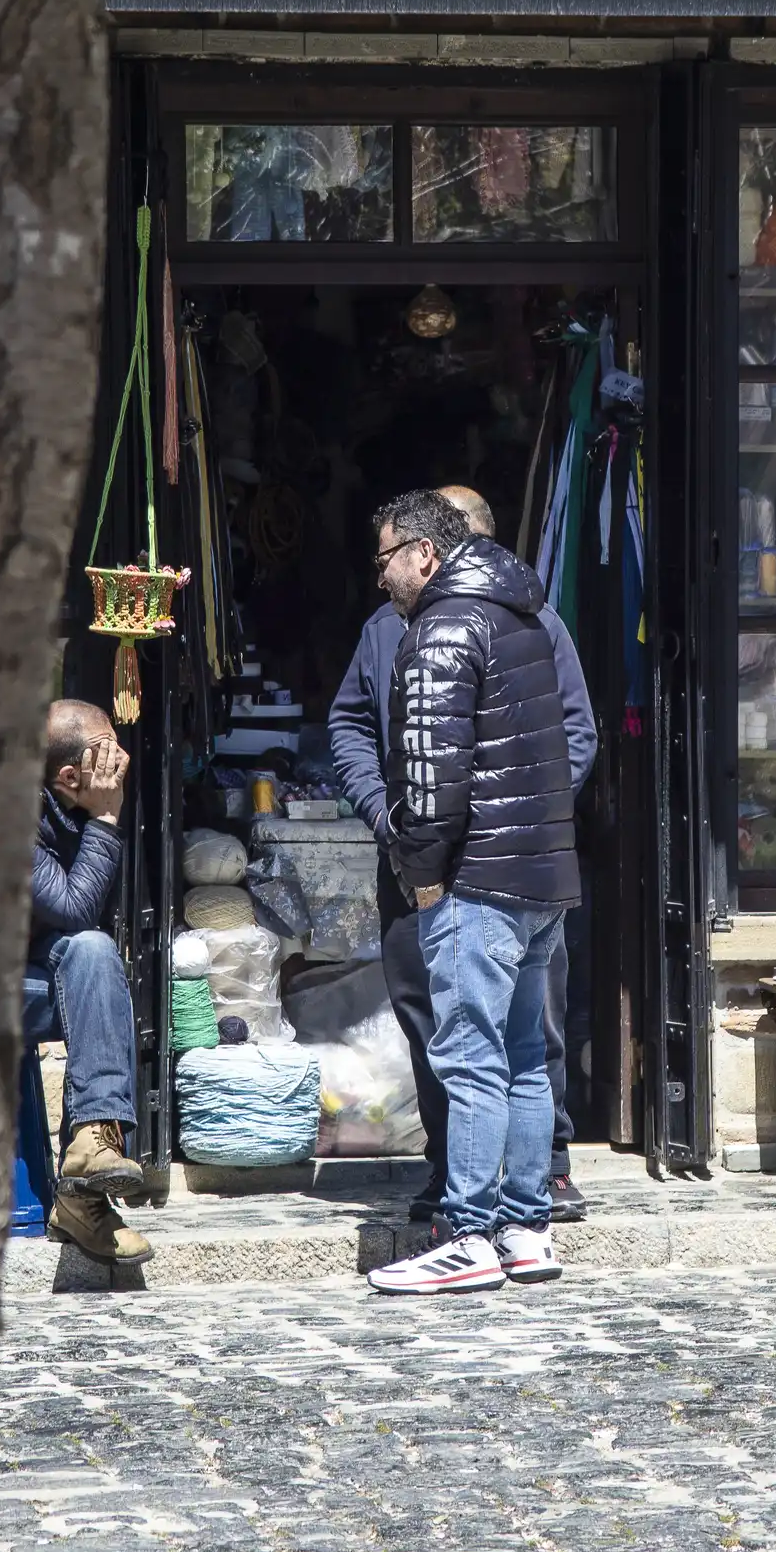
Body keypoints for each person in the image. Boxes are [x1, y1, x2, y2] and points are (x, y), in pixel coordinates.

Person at [330, 485, 596, 1225]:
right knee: (450, 1032)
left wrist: (442, 854)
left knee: (500, 1046)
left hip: (469, 870)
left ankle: (488, 1214)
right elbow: (354, 728)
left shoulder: (493, 624)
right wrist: (390, 821)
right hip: (481, 859)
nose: (382, 575)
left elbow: (544, 746)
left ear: (433, 552)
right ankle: (498, 1199)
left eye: (390, 557)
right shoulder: (390, 628)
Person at [25, 700, 152, 1265]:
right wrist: (104, 821)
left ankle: (90, 1150)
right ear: (70, 776)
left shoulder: (72, 800)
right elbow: (75, 906)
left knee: (96, 951)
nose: (120, 760)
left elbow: (83, 930)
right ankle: (85, 1191)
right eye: (107, 750)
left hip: (34, 960)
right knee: (88, 942)